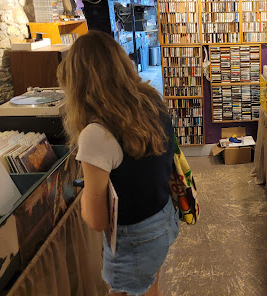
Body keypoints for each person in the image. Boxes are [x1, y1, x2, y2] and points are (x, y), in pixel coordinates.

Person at [57, 31, 179, 296]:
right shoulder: (151, 101)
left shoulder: (96, 133)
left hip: (134, 238)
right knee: (150, 286)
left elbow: (97, 219)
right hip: (164, 219)